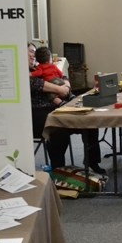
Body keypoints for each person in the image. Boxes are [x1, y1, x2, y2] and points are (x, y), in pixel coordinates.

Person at [28, 43, 105, 175]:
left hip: (59, 108)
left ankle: (92, 161)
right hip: (40, 116)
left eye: (34, 52)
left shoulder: (40, 67)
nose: (33, 55)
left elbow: (63, 77)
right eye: (30, 52)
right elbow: (40, 85)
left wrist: (66, 87)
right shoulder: (25, 74)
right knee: (59, 129)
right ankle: (59, 170)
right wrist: (61, 89)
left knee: (90, 121)